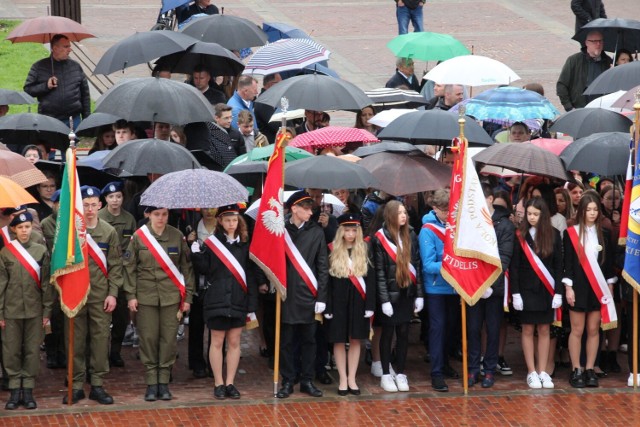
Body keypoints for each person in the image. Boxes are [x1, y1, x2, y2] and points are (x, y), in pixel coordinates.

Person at [124, 206, 194, 401]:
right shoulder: (139, 237)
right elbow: (129, 268)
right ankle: (151, 383)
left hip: (171, 297)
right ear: (148, 215)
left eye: (164, 214)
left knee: (169, 340)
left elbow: (187, 268)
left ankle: (163, 382)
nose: (161, 218)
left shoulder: (177, 236)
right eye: (156, 214)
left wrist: (187, 298)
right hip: (145, 297)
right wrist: (131, 295)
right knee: (148, 339)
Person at [62, 186, 123, 405]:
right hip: (76, 295)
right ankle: (76, 385)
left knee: (99, 341)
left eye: (93, 204)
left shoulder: (109, 232)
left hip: (100, 295)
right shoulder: (70, 232)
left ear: (100, 205)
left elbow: (116, 266)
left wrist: (113, 294)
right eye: (85, 205)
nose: (89, 209)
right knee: (75, 342)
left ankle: (97, 384)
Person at [191, 205, 258, 400]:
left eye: (234, 220)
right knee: (217, 341)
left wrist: (252, 305)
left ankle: (230, 382)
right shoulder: (212, 244)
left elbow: (250, 276)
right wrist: (196, 253)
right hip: (216, 299)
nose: (231, 223)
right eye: (227, 220)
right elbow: (205, 269)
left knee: (235, 342)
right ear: (220, 221)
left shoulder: (245, 245)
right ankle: (218, 383)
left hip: (238, 299)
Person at [276, 191, 328, 399]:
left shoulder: (317, 232)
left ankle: (307, 380)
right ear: (294, 209)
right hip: (287, 295)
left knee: (309, 341)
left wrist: (322, 297)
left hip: (309, 295)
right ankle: (288, 380)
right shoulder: (280, 231)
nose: (310, 212)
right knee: (287, 341)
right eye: (306, 208)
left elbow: (322, 267)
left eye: (310, 208)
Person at [563, 191, 616, 388]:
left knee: (594, 330)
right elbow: (567, 264)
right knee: (577, 329)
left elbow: (608, 265)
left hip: (598, 289)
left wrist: (609, 288)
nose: (592, 213)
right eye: (588, 210)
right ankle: (576, 368)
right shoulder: (570, 233)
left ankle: (590, 368)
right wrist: (568, 288)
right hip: (578, 286)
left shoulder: (606, 234)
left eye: (595, 209)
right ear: (581, 211)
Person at [0, 212, 52, 410]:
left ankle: (28, 389)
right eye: (20, 227)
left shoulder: (40, 251)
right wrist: (0, 313)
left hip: (35, 310)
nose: (24, 231)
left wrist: (47, 312)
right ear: (14, 229)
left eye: (28, 227)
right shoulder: (6, 253)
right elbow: (1, 286)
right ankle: (14, 389)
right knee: (11, 350)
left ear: (32, 228)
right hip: (11, 311)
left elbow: (47, 284)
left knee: (31, 350)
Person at [510, 197, 563, 389]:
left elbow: (559, 266)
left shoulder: (554, 235)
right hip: (525, 291)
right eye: (529, 214)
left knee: (544, 330)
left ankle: (543, 372)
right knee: (527, 329)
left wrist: (558, 292)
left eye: (536, 214)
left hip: (546, 291)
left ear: (543, 215)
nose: (532, 217)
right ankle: (531, 372)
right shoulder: (520, 235)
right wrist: (515, 293)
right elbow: (514, 267)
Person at [372, 200, 423, 392]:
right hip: (389, 297)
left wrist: (419, 295)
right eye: (400, 213)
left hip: (406, 293)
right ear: (391, 215)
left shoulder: (411, 234)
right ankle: (386, 374)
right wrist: (384, 300)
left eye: (405, 212)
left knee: (403, 334)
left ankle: (401, 372)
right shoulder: (380, 238)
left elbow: (417, 266)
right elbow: (380, 273)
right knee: (388, 334)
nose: (404, 215)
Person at [467, 185, 515, 388]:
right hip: (474, 285)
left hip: (494, 287)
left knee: (493, 330)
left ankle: (489, 370)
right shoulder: (471, 222)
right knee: (473, 329)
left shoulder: (505, 225)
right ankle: (472, 369)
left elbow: (504, 257)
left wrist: (489, 283)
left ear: (490, 199)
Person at [323, 214, 374, 395]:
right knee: (338, 339)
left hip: (359, 302)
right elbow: (327, 283)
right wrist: (327, 306)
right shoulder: (332, 249)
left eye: (354, 230)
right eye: (346, 230)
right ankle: (342, 379)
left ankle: (352, 378)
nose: (350, 234)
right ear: (340, 231)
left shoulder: (365, 250)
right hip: (338, 303)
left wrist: (370, 305)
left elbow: (372, 281)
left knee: (355, 339)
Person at [419, 189, 459, 392]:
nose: (447, 214)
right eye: (444, 210)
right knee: (438, 328)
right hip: (436, 287)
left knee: (450, 329)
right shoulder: (427, 230)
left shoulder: (453, 225)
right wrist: (451, 264)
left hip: (453, 287)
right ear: (435, 209)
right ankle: (436, 372)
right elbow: (427, 264)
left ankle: (445, 363)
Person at [98, 182, 137, 368]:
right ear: (105, 199)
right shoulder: (98, 218)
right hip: (102, 271)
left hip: (123, 271)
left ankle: (115, 351)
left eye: (119, 196)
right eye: (111, 197)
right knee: (101, 316)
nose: (115, 200)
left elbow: (133, 246)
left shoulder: (129, 219)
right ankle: (100, 352)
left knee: (121, 316)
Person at [23, 34, 90, 129]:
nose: (70, 50)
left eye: (69, 46)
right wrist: (46, 86)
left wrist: (86, 119)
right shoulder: (39, 67)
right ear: (55, 48)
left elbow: (85, 94)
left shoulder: (76, 66)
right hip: (49, 120)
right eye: (66, 47)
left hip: (73, 120)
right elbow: (28, 90)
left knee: (72, 144)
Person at [556, 30, 611, 111]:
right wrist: (569, 107)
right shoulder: (574, 60)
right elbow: (561, 85)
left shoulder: (608, 62)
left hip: (601, 108)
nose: (598, 44)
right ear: (586, 43)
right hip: (580, 108)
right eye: (594, 41)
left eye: (600, 41)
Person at [206, 103, 245, 171]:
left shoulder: (236, 134)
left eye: (231, 117)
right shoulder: (208, 134)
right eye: (226, 118)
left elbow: (242, 156)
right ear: (216, 118)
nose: (230, 121)